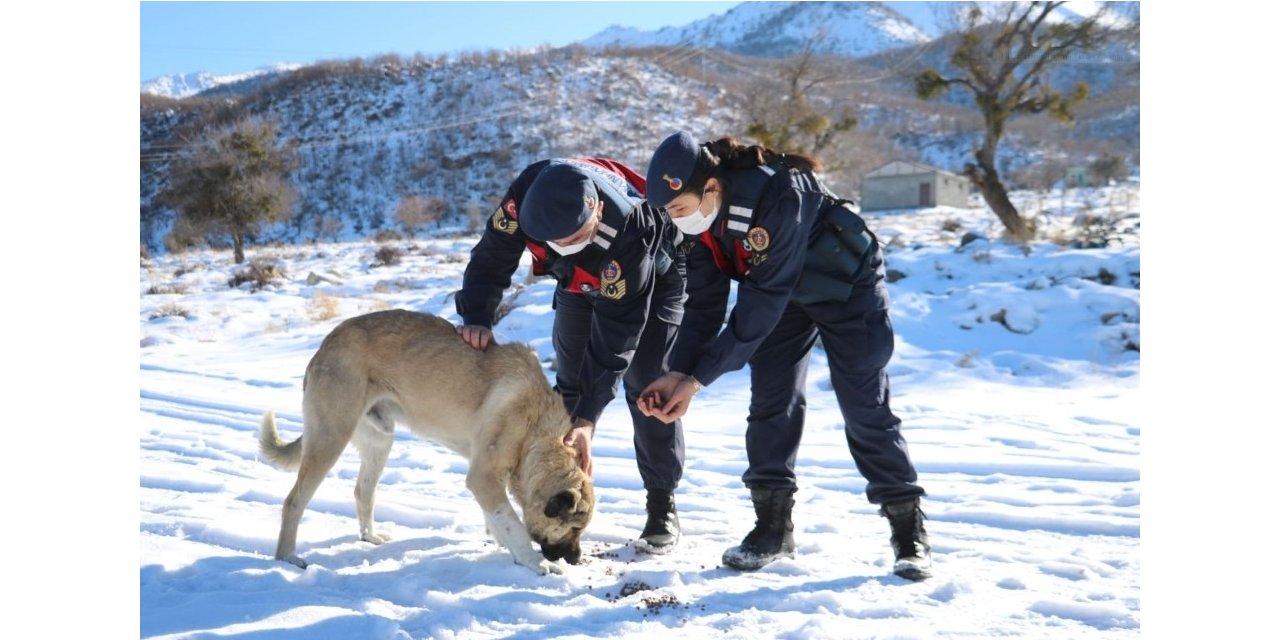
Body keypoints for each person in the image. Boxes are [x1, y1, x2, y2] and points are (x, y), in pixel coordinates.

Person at [638, 131, 931, 580]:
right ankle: (772, 529)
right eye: (669, 214)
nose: (677, 221)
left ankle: (908, 530)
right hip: (785, 298)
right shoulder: (698, 224)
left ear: (711, 187)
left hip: (847, 287)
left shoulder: (779, 192)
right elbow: (704, 305)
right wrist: (677, 371)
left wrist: (696, 382)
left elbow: (761, 303)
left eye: (679, 209)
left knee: (863, 403)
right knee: (773, 400)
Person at [455, 157, 686, 553]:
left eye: (575, 236)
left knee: (647, 388)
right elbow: (493, 255)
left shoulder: (630, 225)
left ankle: (661, 501)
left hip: (651, 277)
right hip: (576, 281)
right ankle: (560, 492)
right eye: (557, 241)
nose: (565, 245)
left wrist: (589, 419)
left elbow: (618, 334)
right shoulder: (525, 202)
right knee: (569, 388)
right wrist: (477, 315)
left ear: (595, 207)